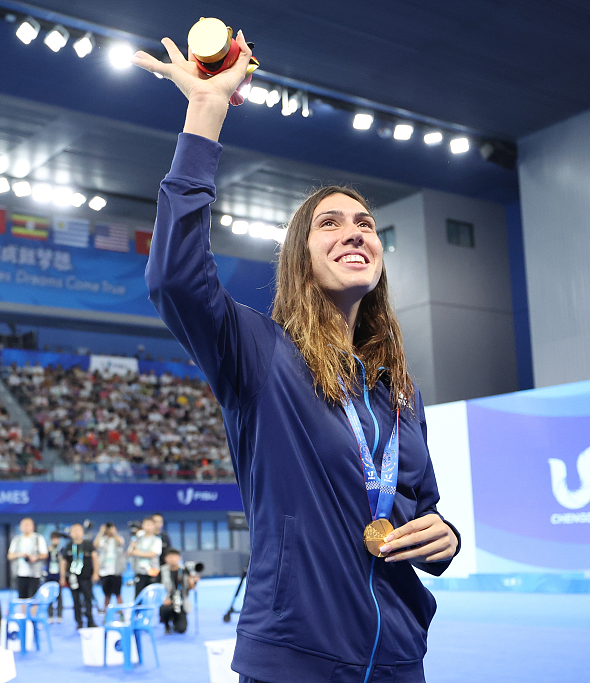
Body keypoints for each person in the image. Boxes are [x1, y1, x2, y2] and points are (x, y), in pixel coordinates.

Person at [133, 36, 460, 683]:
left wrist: (443, 536)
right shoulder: (257, 354)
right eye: (330, 223)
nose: (355, 231)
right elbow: (174, 277)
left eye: (365, 223)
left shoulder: (399, 391)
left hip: (398, 660)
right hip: (294, 660)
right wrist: (207, 110)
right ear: (300, 256)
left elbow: (420, 507)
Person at [59, 523, 98, 630]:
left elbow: (95, 559)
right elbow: (63, 562)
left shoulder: (88, 544)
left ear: (82, 532)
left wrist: (96, 573)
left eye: (78, 530)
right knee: (75, 600)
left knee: (88, 599)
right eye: (74, 530)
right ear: (70, 533)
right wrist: (62, 577)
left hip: (86, 577)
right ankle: (79, 622)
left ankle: (90, 621)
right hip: (72, 578)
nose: (76, 532)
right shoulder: (68, 546)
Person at [158, 548, 199, 634]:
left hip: (181, 601)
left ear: (179, 558)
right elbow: (157, 587)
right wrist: (162, 598)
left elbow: (191, 588)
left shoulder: (184, 570)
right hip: (168, 600)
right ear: (166, 558)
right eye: (170, 557)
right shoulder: (161, 571)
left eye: (174, 556)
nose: (172, 559)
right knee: (164, 608)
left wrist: (193, 580)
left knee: (181, 629)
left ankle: (177, 621)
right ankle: (166, 624)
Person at [7, 517, 48, 601]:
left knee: (34, 597)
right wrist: (20, 554)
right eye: (24, 525)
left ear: (33, 526)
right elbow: (10, 556)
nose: (26, 527)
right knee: (22, 597)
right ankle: (24, 614)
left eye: (28, 525)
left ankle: (33, 614)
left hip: (35, 573)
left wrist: (35, 557)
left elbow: (45, 554)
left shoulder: (38, 538)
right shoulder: (17, 540)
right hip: (21, 573)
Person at [126, 517, 162, 598]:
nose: (148, 527)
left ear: (154, 526)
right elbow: (130, 552)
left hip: (152, 572)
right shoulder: (137, 538)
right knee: (138, 595)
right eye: (146, 524)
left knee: (151, 596)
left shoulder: (157, 540)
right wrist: (134, 541)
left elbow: (153, 554)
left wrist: (138, 552)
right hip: (139, 571)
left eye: (150, 525)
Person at [94, 523, 125, 613]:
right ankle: (106, 613)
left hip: (116, 571)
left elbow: (120, 542)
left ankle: (121, 612)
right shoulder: (103, 540)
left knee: (118, 594)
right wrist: (101, 532)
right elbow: (95, 544)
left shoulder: (118, 538)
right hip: (105, 571)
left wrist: (114, 533)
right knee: (107, 594)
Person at [46, 531, 65, 623]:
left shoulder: (61, 550)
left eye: (57, 539)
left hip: (58, 575)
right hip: (49, 576)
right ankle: (50, 615)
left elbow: (63, 563)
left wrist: (62, 577)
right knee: (49, 596)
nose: (55, 541)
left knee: (59, 596)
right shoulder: (47, 549)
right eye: (54, 539)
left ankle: (59, 615)